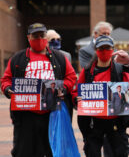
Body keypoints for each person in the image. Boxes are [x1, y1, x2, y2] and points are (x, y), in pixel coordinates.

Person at [0, 23, 77, 157]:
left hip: (51, 114)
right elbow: (5, 79)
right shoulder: (17, 58)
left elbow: (71, 77)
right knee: (24, 151)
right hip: (26, 115)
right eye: (36, 36)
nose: (40, 39)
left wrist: (63, 88)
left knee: (53, 151)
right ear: (28, 37)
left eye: (42, 35)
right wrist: (7, 89)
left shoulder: (59, 58)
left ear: (46, 37)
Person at [74, 36, 129, 157]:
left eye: (107, 48)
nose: (104, 51)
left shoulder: (120, 70)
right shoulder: (87, 72)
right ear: (95, 50)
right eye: (101, 48)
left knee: (120, 152)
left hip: (116, 122)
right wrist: (77, 99)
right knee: (92, 152)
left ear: (113, 50)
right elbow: (77, 92)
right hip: (93, 123)